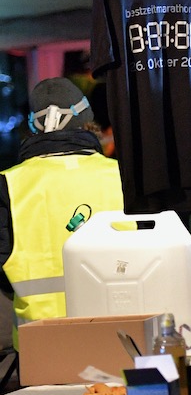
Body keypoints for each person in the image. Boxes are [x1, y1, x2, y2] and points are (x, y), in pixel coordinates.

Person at [0, 78, 124, 349]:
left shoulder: (8, 184)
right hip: (121, 335)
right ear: (87, 120)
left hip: (41, 345)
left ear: (32, 126)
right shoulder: (122, 176)